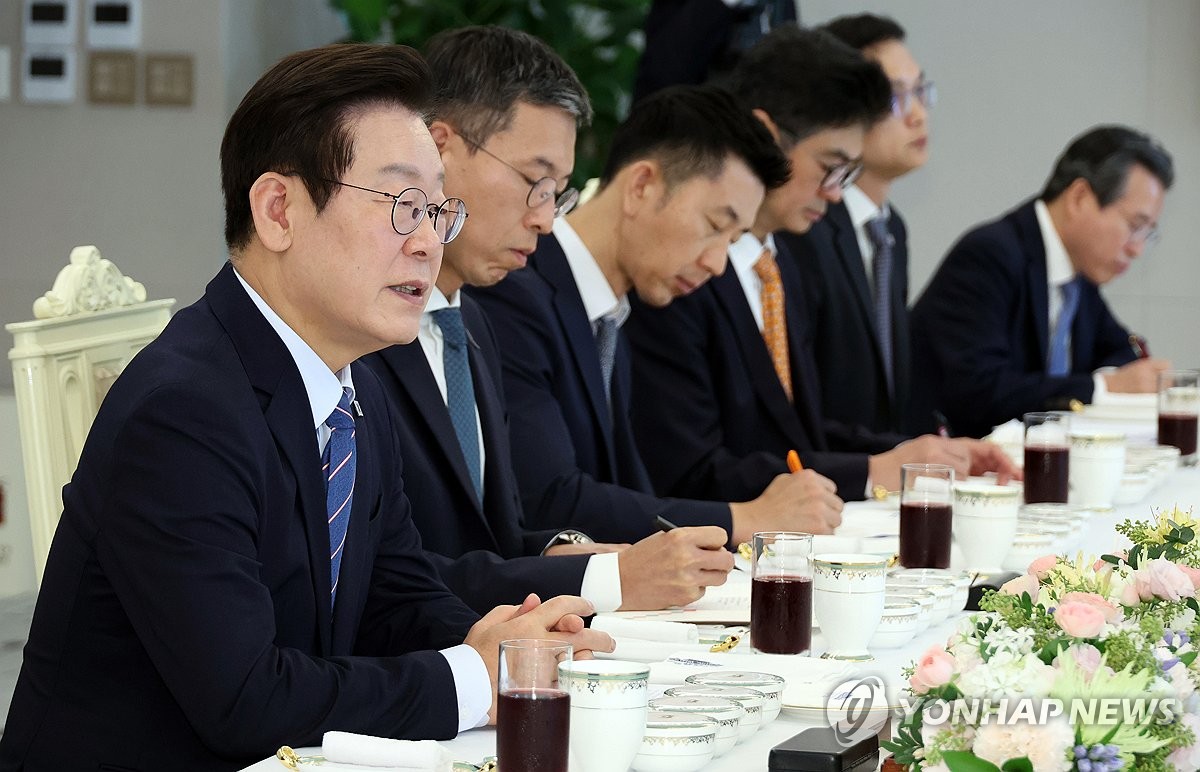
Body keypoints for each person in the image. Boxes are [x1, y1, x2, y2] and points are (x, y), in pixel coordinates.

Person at [0, 43, 611, 772]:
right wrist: (474, 680)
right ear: (278, 211)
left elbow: (394, 595)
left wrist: (514, 644)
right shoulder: (182, 412)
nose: (428, 242)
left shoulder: (355, 385)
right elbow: (246, 699)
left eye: (437, 210)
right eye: (402, 206)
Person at [363, 26, 732, 615]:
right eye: (533, 182)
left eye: (556, 192)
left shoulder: (472, 324)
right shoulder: (362, 327)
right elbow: (387, 578)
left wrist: (579, 554)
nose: (544, 218)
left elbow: (495, 540)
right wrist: (603, 579)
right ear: (439, 149)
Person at [625, 26, 1016, 504]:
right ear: (768, 137)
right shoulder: (684, 269)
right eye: (830, 167)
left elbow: (799, 437)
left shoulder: (780, 261)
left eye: (848, 173)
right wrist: (871, 471)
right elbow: (690, 471)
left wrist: (915, 454)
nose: (835, 193)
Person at [469, 83, 844, 547]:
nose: (717, 264)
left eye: (733, 240)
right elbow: (547, 499)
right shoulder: (513, 292)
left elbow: (628, 489)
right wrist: (743, 518)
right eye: (714, 226)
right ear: (642, 186)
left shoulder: (612, 314)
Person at [909, 125, 1174, 438]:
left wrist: (1120, 379)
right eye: (1135, 226)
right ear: (1079, 198)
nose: (1137, 249)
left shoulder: (1081, 275)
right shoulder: (990, 255)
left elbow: (1121, 353)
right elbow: (980, 391)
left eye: (1148, 233)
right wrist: (1102, 387)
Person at [783, 13, 932, 435]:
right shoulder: (804, 227)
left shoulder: (891, 229)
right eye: (895, 98)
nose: (918, 115)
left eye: (921, 91)